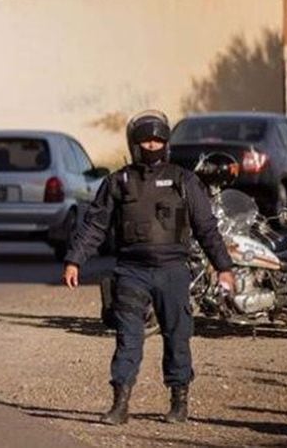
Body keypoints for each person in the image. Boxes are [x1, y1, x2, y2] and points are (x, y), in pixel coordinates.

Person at [63, 110, 235, 425]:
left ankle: (179, 400)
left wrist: (223, 266)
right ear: (134, 143)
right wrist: (75, 260)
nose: (152, 145)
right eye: (146, 140)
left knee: (177, 336)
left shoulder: (184, 180)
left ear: (167, 143)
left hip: (173, 271)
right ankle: (120, 403)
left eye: (158, 139)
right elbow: (94, 226)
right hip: (131, 271)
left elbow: (206, 227)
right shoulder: (119, 181)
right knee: (128, 338)